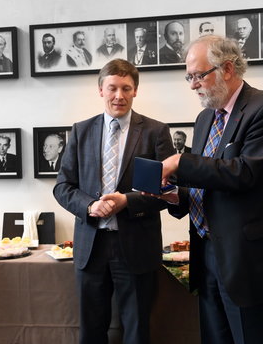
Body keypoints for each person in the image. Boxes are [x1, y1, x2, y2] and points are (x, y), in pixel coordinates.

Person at [158, 35, 263, 344]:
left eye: (197, 75)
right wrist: (176, 195)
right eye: (188, 77)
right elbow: (209, 183)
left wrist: (181, 160)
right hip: (207, 255)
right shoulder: (205, 117)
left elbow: (244, 173)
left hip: (251, 263)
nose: (192, 85)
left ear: (228, 69)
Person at [53, 58, 174, 344]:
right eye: (112, 88)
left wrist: (127, 201)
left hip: (135, 245)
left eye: (126, 88)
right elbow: (62, 187)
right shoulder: (81, 131)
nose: (119, 95)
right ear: (100, 90)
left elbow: (168, 190)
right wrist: (89, 206)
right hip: (90, 247)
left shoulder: (156, 132)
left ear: (135, 91)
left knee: (136, 331)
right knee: (91, 332)